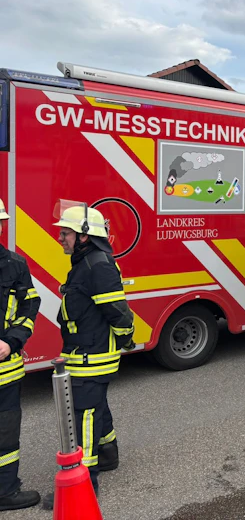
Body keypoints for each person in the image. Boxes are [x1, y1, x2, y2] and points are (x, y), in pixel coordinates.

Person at [42, 201, 135, 509]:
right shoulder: (87, 262)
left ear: (84, 235)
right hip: (85, 350)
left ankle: (84, 482)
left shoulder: (98, 264)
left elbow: (117, 311)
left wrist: (126, 339)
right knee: (96, 405)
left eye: (65, 233)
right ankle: (108, 455)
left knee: (84, 415)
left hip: (92, 355)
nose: (60, 238)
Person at [0, 199, 42, 511]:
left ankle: (6, 491)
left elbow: (30, 305)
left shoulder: (15, 265)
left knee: (6, 434)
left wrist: (12, 341)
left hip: (6, 372)